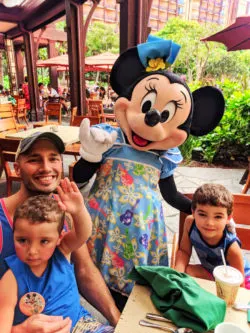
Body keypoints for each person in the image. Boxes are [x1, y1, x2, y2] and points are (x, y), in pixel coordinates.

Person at [0, 132, 120, 333]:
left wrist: (118, 320)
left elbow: (84, 270)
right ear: (17, 168)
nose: (46, 168)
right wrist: (17, 330)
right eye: (34, 159)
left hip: (79, 323)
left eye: (53, 158)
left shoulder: (62, 212)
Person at [0, 181, 104, 331]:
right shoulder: (11, 279)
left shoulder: (62, 252)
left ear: (59, 238)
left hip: (82, 324)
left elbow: (83, 234)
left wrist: (79, 210)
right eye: (22, 240)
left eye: (44, 241)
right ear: (13, 235)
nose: (32, 251)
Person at [175, 183, 250, 287]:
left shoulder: (232, 247)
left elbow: (239, 287)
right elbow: (184, 251)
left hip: (239, 280)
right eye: (202, 214)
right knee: (186, 272)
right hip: (210, 271)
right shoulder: (190, 223)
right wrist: (177, 276)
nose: (209, 223)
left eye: (218, 217)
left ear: (228, 218)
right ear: (193, 212)